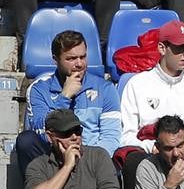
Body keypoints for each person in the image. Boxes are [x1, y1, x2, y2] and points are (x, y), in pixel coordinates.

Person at [18, 30, 121, 176]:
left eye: (83, 57)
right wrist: (64, 96)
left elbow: (111, 137)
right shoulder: (39, 89)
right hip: (53, 159)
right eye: (71, 59)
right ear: (56, 59)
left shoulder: (105, 88)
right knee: (26, 140)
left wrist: (86, 160)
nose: (79, 64)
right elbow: (41, 132)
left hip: (91, 160)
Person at [118, 20, 184, 164]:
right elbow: (127, 135)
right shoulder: (137, 84)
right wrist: (153, 147)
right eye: (180, 47)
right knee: (133, 161)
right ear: (162, 48)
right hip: (149, 155)